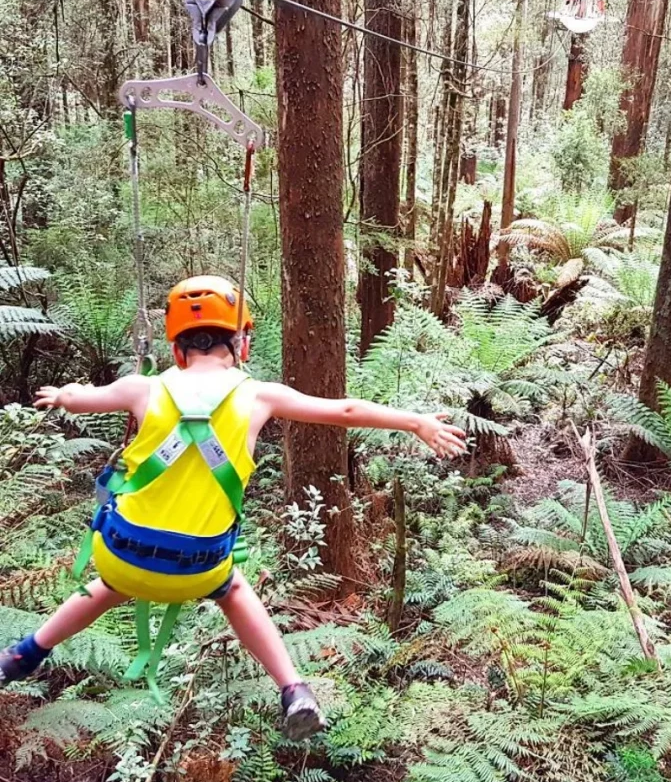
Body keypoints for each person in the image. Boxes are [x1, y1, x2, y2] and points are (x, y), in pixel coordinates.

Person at [0, 276, 466, 740]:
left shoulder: (141, 388)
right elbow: (343, 412)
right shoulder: (259, 396)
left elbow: (81, 401)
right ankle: (293, 689)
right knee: (234, 589)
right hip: (199, 566)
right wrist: (415, 422)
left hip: (121, 552)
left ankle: (24, 654)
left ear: (178, 347)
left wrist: (62, 394)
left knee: (111, 583)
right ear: (240, 342)